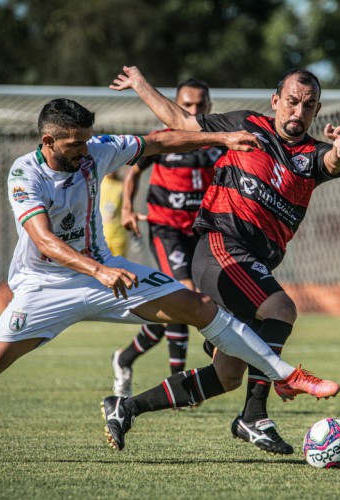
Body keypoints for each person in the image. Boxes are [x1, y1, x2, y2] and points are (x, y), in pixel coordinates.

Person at [0, 97, 339, 462]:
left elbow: (157, 141)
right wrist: (99, 269)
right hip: (47, 285)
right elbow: (43, 240)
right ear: (48, 141)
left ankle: (283, 372)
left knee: (199, 307)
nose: (85, 150)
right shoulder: (25, 174)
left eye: (88, 140)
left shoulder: (96, 150)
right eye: (75, 144)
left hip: (106, 272)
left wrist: (222, 137)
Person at [109, 66, 340, 455]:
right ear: (276, 101)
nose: (297, 112)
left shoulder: (313, 155)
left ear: (316, 110)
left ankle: (126, 407)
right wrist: (140, 84)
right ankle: (254, 416)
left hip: (253, 263)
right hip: (222, 248)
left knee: (227, 375)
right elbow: (180, 122)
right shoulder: (246, 125)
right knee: (281, 308)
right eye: (291, 101)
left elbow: (334, 164)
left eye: (308, 106)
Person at [111, 78, 221, 397]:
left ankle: (124, 357)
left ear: (210, 108)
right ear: (173, 107)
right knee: (185, 294)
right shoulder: (162, 140)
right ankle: (180, 383)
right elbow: (133, 173)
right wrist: (127, 209)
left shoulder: (217, 144)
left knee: (184, 306)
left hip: (201, 231)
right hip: (166, 229)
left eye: (201, 105)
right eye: (187, 105)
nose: (194, 110)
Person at [99, 169, 129, 258]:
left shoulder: (121, 186)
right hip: (101, 236)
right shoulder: (99, 182)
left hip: (118, 235)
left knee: (119, 266)